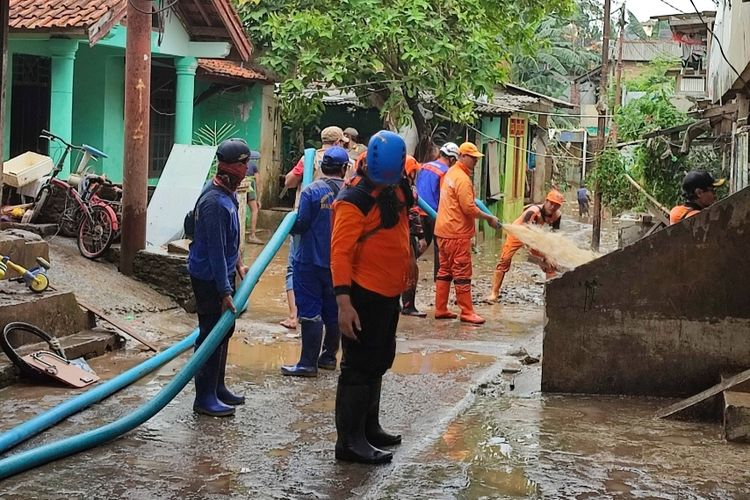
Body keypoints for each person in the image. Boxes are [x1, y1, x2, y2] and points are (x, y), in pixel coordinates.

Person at [331, 130, 412, 464]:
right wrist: (343, 302)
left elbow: (402, 228)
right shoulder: (354, 199)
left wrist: (410, 269)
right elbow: (339, 253)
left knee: (379, 360)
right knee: (358, 368)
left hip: (389, 293)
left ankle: (369, 428)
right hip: (363, 294)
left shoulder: (399, 183)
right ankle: (350, 442)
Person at [187, 138, 250, 417]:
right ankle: (204, 397)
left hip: (223, 273)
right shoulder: (214, 202)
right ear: (231, 167)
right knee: (211, 334)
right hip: (209, 278)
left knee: (224, 331)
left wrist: (238, 265)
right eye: (244, 164)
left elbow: (229, 241)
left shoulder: (228, 193)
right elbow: (214, 250)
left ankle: (218, 387)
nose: (247, 169)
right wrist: (225, 291)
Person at [281, 147, 348, 377]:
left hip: (309, 260)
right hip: (339, 264)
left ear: (321, 167)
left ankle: (307, 363)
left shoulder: (311, 191)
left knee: (310, 310)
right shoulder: (350, 192)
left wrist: (289, 226)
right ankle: (329, 357)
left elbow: (300, 224)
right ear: (344, 168)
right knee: (333, 309)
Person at [433, 142, 501, 324]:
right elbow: (469, 208)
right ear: (462, 156)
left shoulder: (451, 173)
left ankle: (440, 309)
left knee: (445, 270)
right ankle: (467, 312)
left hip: (443, 231)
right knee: (462, 272)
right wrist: (489, 218)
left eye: (477, 158)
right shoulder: (462, 179)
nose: (475, 162)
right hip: (456, 233)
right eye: (473, 158)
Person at [485, 190, 565, 303]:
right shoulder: (532, 212)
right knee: (504, 260)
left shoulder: (557, 216)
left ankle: (550, 293)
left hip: (534, 235)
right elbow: (527, 235)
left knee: (550, 263)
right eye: (551, 203)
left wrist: (550, 254)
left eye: (557, 205)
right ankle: (494, 293)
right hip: (517, 233)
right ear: (546, 201)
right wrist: (542, 254)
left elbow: (554, 236)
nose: (553, 207)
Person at [414, 142, 459, 280]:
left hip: (417, 211)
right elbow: (444, 195)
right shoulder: (446, 171)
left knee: (421, 244)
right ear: (452, 159)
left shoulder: (425, 166)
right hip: (434, 213)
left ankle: (403, 266)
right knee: (441, 248)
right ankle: (440, 280)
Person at [401, 155, 428, 317]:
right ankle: (408, 306)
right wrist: (422, 236)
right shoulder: (408, 190)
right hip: (406, 234)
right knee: (411, 270)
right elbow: (413, 214)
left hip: (396, 234)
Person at [245, 150, 263, 245]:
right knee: (254, 210)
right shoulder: (254, 166)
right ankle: (252, 236)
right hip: (249, 188)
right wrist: (259, 199)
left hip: (239, 187)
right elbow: (258, 182)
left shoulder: (240, 164)